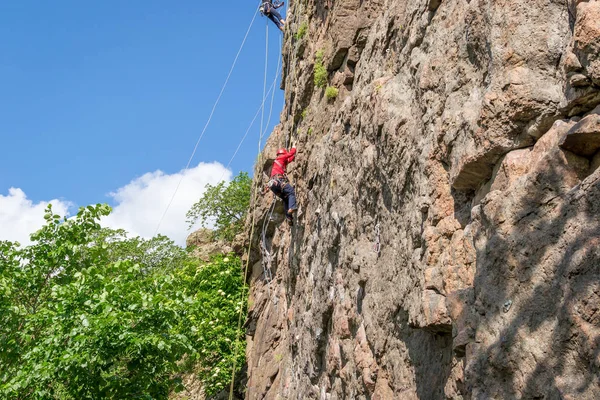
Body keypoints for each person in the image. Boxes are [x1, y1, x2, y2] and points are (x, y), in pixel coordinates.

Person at [266, 145, 298, 225]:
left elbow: (289, 159)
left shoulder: (278, 162)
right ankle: (291, 208)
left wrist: (293, 156)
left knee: (286, 199)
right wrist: (294, 147)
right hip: (279, 181)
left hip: (273, 185)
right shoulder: (281, 158)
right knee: (290, 192)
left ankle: (289, 217)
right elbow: (290, 154)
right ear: (283, 154)